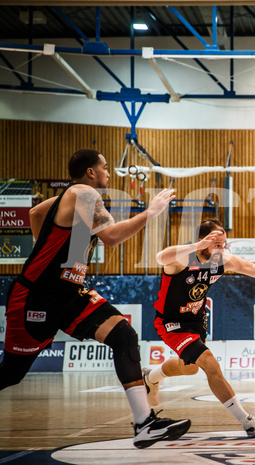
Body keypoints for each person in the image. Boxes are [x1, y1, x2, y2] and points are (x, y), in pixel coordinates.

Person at [0, 148, 191, 449]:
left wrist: (49, 248)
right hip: (38, 296)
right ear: (90, 172)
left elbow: (36, 213)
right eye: (104, 167)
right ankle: (144, 424)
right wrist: (151, 212)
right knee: (10, 374)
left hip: (70, 293)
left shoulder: (71, 197)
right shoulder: (86, 195)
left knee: (124, 336)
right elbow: (112, 238)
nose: (108, 173)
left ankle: (145, 424)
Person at [142, 218, 255, 438]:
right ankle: (248, 422)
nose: (221, 248)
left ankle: (150, 377)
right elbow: (160, 257)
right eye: (216, 244)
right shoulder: (181, 259)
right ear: (202, 241)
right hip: (172, 323)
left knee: (190, 367)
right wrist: (195, 247)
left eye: (223, 244)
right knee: (209, 363)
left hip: (196, 319)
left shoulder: (222, 260)